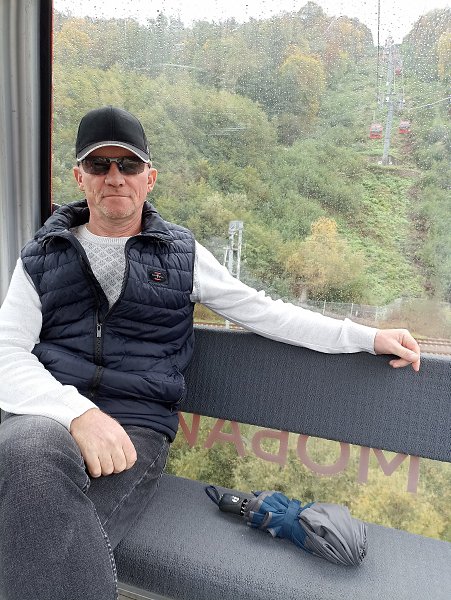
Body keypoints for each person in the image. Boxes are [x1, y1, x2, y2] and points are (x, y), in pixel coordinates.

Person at [0, 106, 420, 600]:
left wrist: (365, 337)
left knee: (44, 541)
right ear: (79, 177)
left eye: (128, 165)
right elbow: (7, 353)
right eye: (99, 164)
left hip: (135, 429)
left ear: (149, 178)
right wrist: (78, 414)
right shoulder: (43, 255)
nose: (114, 177)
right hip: (49, 415)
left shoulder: (181, 255)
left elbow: (265, 312)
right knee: (28, 454)